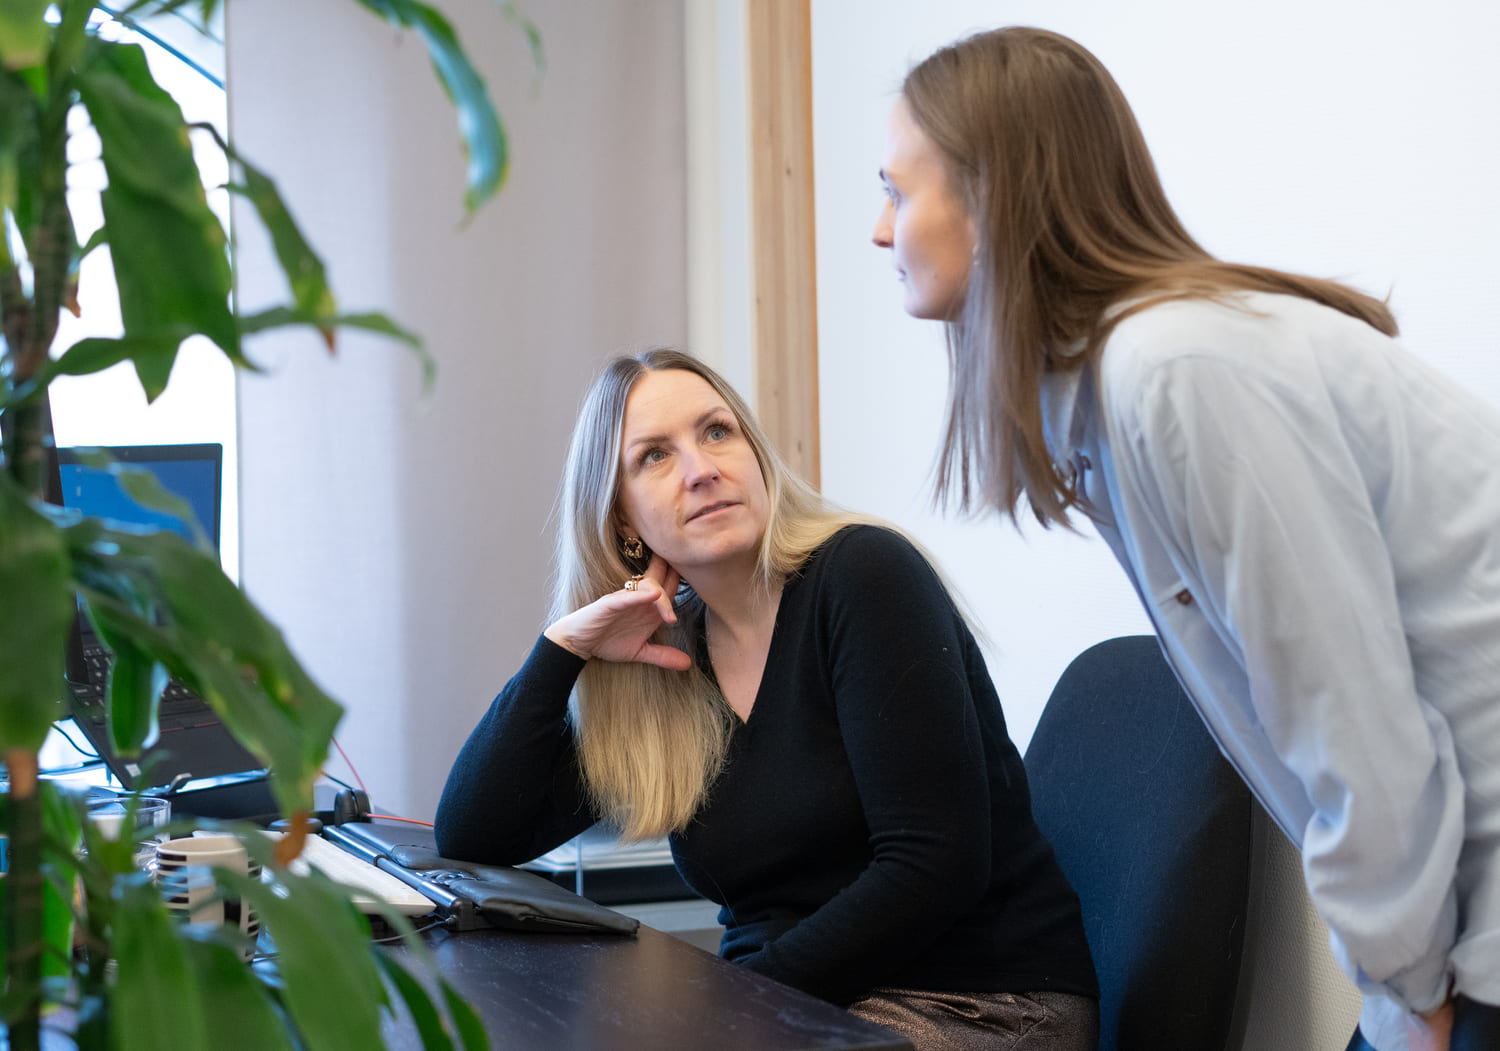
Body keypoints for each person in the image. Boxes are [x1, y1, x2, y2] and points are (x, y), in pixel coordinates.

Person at [869, 24, 1500, 1051]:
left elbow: (1351, 723)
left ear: (989, 197)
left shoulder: (1174, 371)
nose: (880, 231)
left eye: (897, 191)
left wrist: (1413, 989)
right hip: (1453, 914)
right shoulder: (1127, 380)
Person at [435, 348, 1099, 1049]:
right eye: (654, 456)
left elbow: (935, 864)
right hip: (796, 1003)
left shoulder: (863, 575)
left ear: (755, 455)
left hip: (977, 1001)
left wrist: (731, 1005)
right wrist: (562, 649)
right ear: (623, 520)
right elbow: (475, 835)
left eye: (717, 431)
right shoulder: (665, 658)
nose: (701, 468)